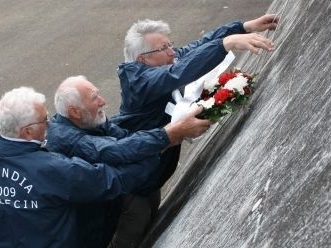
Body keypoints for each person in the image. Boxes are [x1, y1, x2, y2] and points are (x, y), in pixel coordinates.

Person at [0, 86, 191, 247]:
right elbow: (113, 181)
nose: (49, 123)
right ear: (27, 131)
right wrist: (163, 143)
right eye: (44, 120)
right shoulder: (52, 168)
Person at [109, 14, 280, 245]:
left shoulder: (162, 60)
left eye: (170, 44)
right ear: (143, 59)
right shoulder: (139, 83)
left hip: (150, 176)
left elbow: (195, 48)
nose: (172, 52)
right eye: (164, 48)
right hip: (133, 188)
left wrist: (243, 27)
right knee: (130, 237)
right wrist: (225, 44)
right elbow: (177, 73)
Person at [46, 76, 212, 247]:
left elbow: (126, 141)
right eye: (95, 98)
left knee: (146, 184)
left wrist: (166, 138)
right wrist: (169, 134)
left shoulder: (89, 120)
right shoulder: (66, 138)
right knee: (135, 201)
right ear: (75, 112)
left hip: (105, 199)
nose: (102, 101)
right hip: (89, 222)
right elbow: (117, 151)